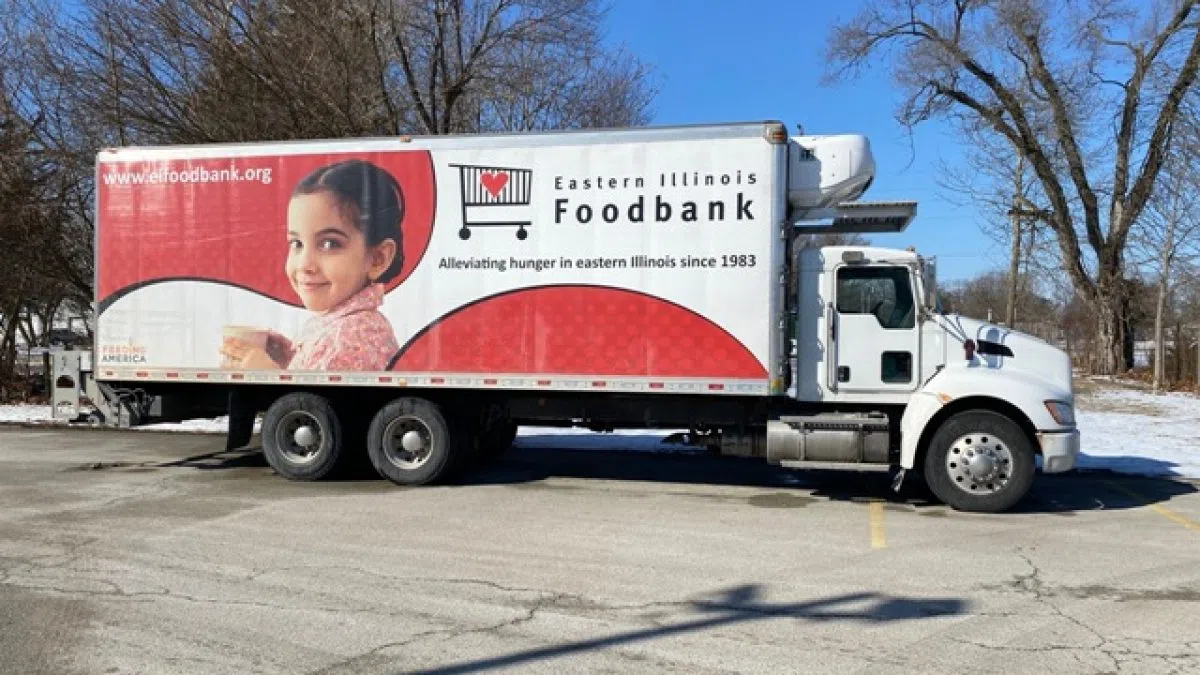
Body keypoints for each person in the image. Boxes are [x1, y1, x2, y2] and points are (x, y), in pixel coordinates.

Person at [220, 159, 404, 371]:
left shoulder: (354, 336)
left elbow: (312, 401)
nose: (305, 264)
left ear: (378, 258)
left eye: (329, 243)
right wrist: (286, 356)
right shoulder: (338, 322)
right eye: (297, 243)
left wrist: (268, 375)